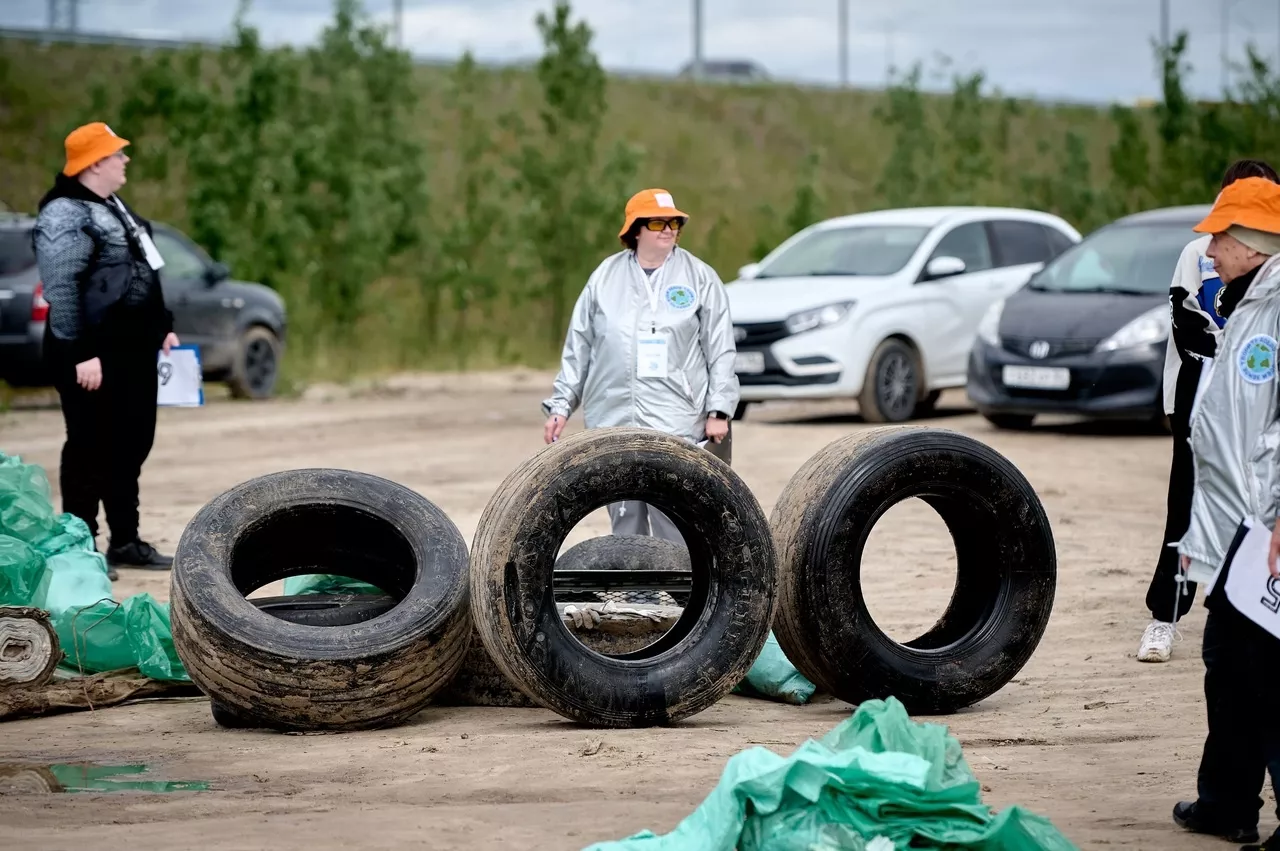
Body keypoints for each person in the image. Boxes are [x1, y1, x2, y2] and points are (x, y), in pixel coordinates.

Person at [1170, 175, 1280, 849]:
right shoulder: (1247, 302)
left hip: (1268, 524)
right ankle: (1228, 801)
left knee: (1263, 664)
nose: (1208, 249)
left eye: (1219, 236)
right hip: (1241, 520)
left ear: (1254, 242)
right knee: (1230, 656)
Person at [1138, 158, 1280, 663]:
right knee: (1188, 503)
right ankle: (1165, 616)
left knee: (1258, 504)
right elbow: (1186, 320)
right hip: (1201, 387)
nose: (1217, 247)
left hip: (1256, 399)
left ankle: (1251, 608)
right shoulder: (1198, 252)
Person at [541, 187, 739, 544]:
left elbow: (721, 347)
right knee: (623, 506)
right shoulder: (604, 277)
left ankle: (680, 588)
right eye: (658, 222)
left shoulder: (700, 277)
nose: (669, 229)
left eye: (675, 222)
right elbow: (578, 346)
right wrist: (561, 406)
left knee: (673, 508)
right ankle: (634, 588)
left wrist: (720, 409)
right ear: (635, 230)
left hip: (676, 415)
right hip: (612, 415)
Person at [31, 122, 180, 579]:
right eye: (117, 154)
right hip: (91, 356)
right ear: (95, 162)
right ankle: (81, 546)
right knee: (88, 448)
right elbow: (62, 288)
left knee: (129, 445)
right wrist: (80, 352)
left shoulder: (113, 206)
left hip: (131, 353)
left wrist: (162, 328)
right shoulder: (63, 212)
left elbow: (141, 273)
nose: (125, 160)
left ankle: (126, 541)